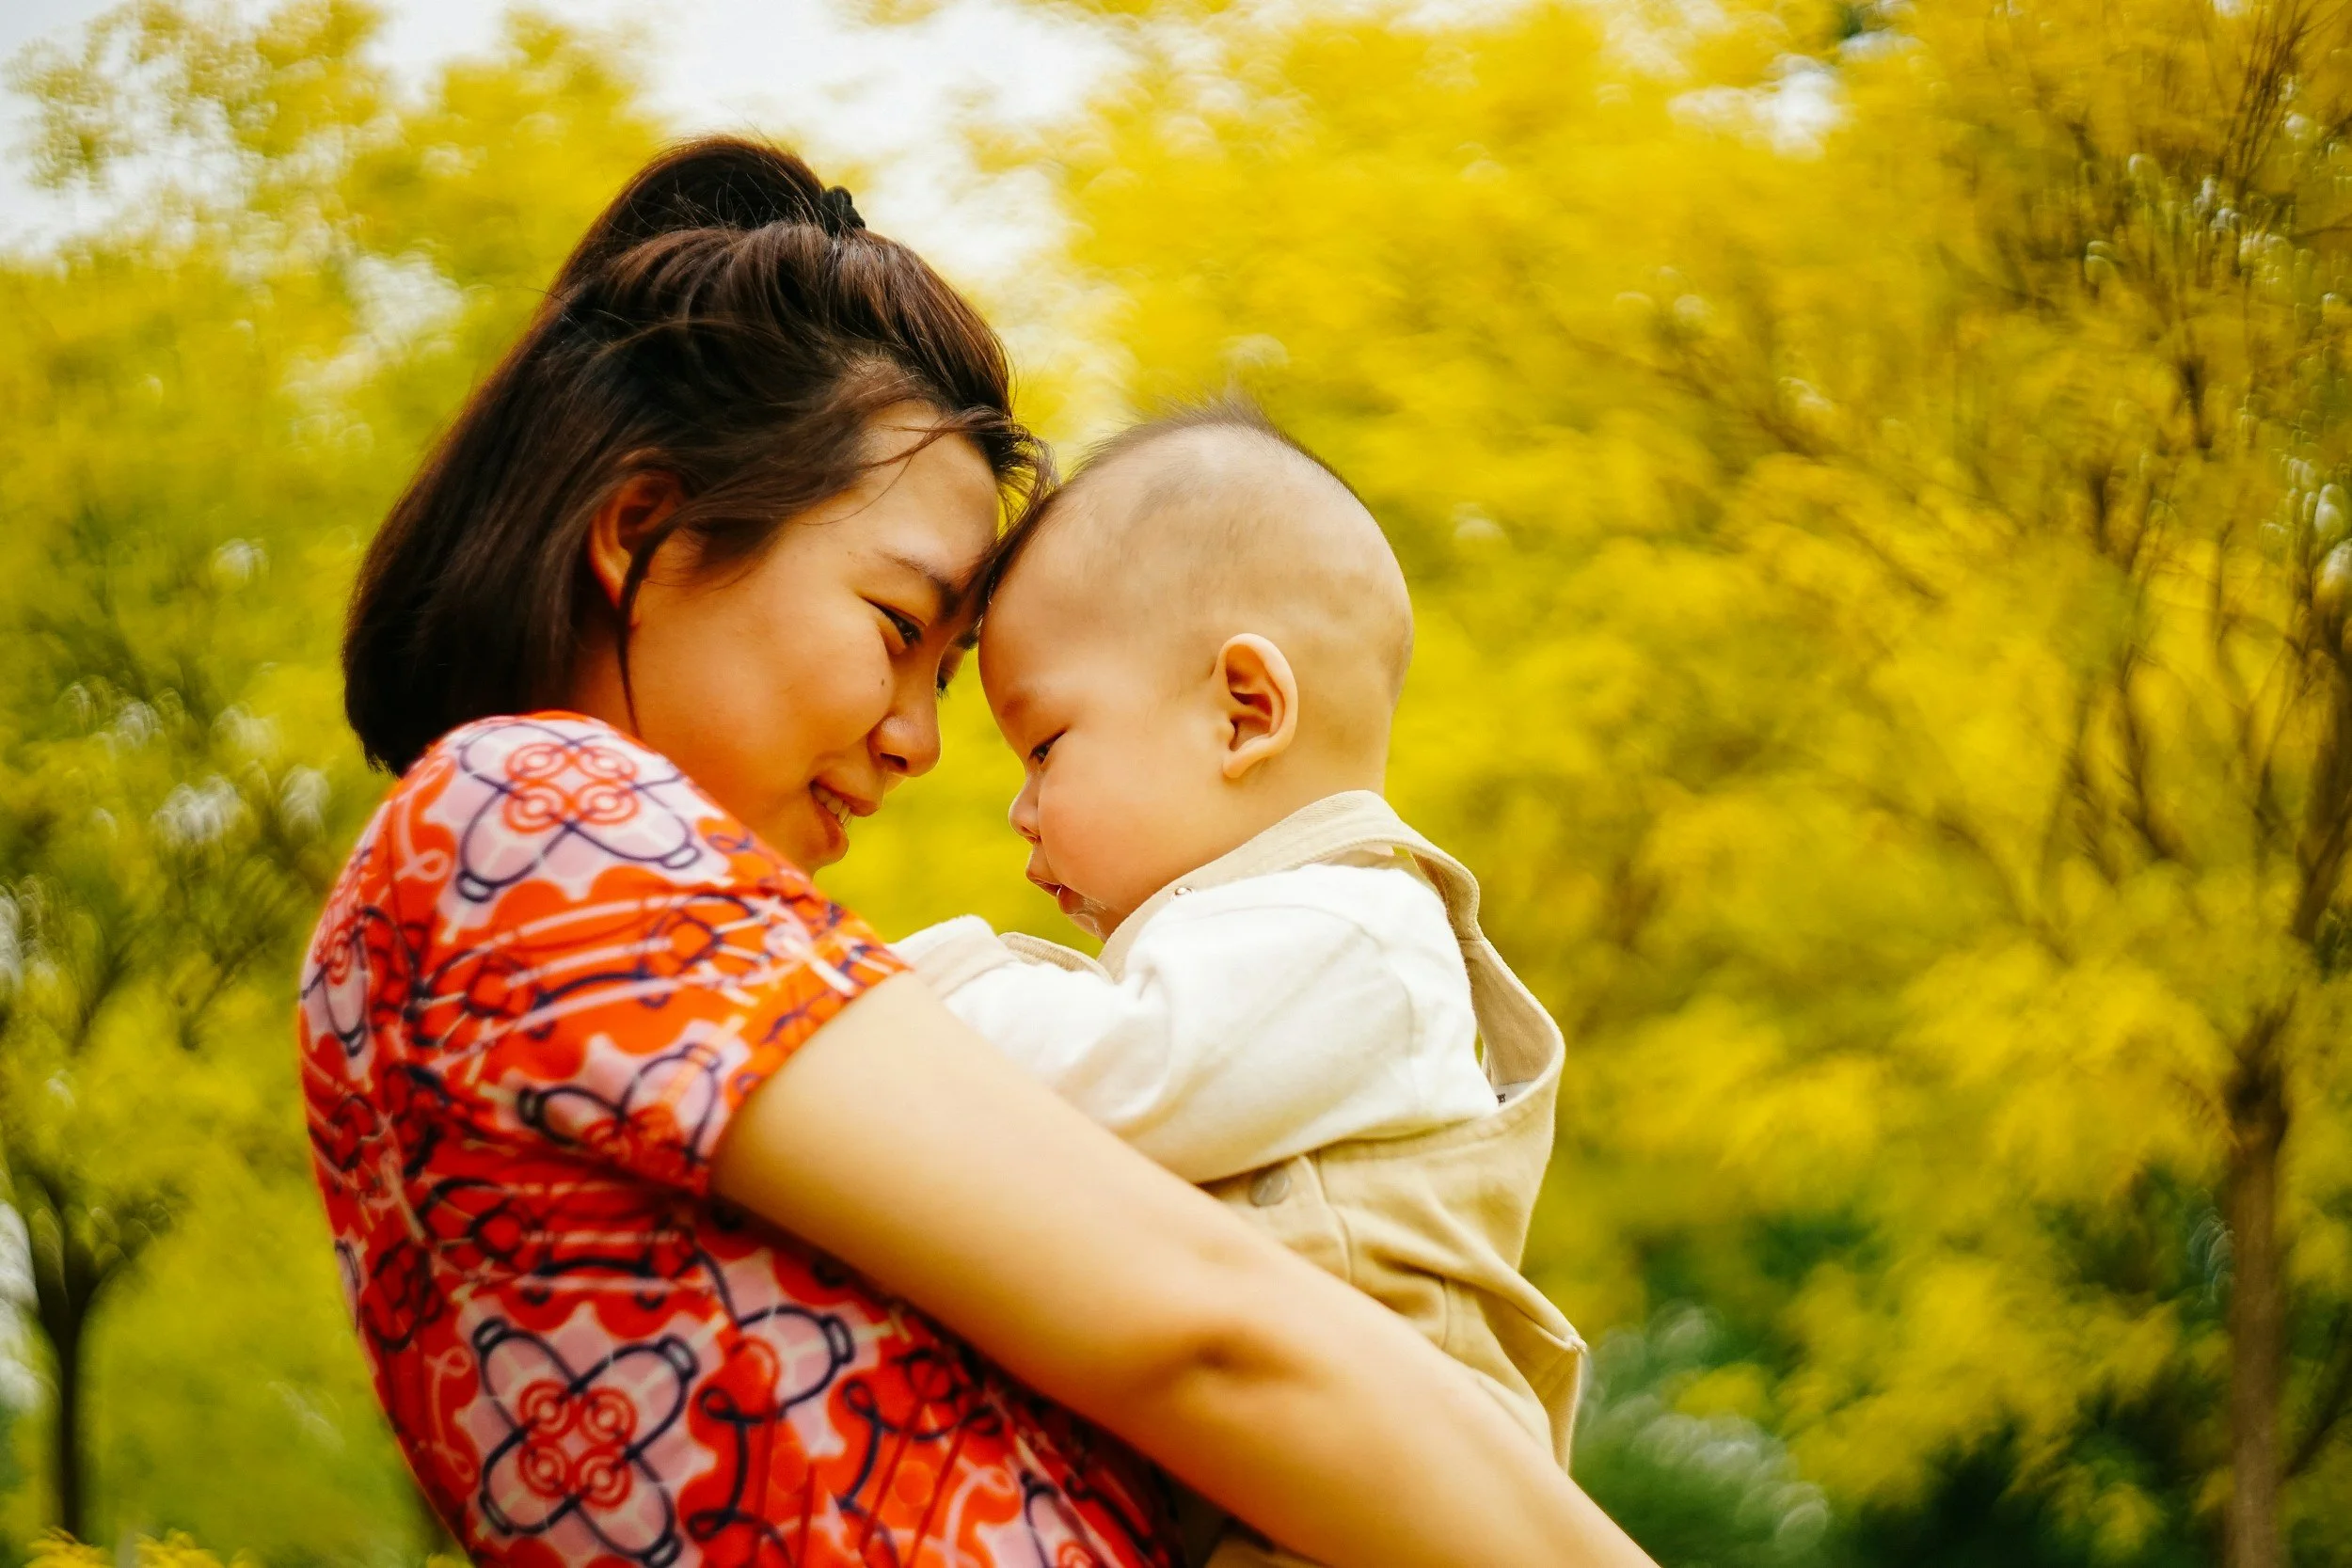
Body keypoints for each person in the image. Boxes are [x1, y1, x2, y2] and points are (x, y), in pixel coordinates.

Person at [301, 134, 1658, 1567]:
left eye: (941, 675)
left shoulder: (477, 894)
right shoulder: (543, 812)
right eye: (896, 626)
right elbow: (1210, 1333)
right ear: (645, 530)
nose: (919, 742)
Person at [894, 406, 1584, 1564]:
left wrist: (894, 983)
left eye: (1046, 746)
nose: (1021, 810)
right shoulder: (1263, 942)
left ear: (1243, 712)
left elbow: (1109, 1087)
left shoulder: (1350, 931)